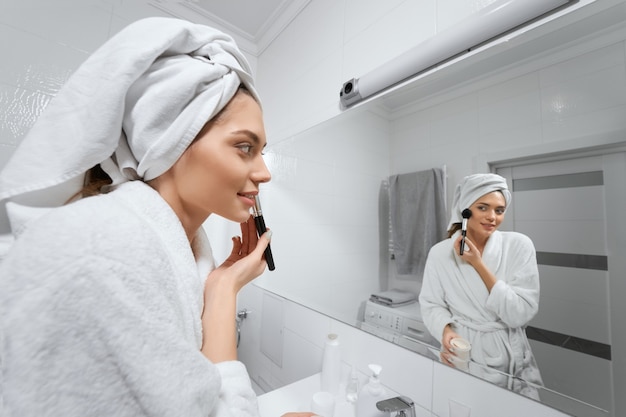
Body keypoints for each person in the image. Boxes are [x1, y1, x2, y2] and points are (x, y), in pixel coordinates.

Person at [0, 17, 315, 417]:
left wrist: (222, 287)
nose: (265, 173)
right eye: (244, 147)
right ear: (174, 139)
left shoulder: (185, 252)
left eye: (261, 151)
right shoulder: (103, 253)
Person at [418, 173, 543, 399]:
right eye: (483, 208)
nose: (492, 217)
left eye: (499, 210)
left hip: (509, 355)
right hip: (463, 351)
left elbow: (520, 314)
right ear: (465, 210)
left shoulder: (519, 245)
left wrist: (477, 264)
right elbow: (431, 304)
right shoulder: (439, 253)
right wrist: (446, 333)